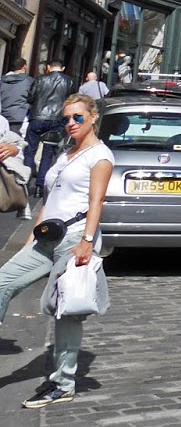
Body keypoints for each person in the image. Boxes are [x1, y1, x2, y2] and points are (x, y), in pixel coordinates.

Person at [0, 92, 113, 407]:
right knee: (3, 281)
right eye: (66, 119)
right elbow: (50, 199)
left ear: (93, 117)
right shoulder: (67, 154)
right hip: (46, 237)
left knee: (67, 311)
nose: (71, 123)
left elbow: (96, 202)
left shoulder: (99, 156)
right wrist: (30, 238)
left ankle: (63, 383)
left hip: (75, 237)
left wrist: (87, 242)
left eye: (77, 117)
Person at [24, 61, 74, 208]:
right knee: (47, 154)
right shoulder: (69, 81)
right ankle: (40, 187)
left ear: (48, 68)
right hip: (56, 120)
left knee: (29, 152)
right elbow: (71, 101)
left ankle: (25, 184)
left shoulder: (40, 79)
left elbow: (30, 98)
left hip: (37, 118)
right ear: (63, 68)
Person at [0, 60, 30, 134]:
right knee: (15, 141)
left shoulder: (2, 80)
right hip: (19, 116)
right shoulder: (29, 81)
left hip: (3, 114)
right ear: (24, 66)